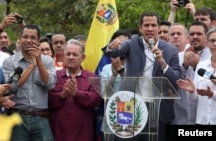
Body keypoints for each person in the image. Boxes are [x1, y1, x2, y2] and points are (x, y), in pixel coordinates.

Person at [102, 11, 181, 141]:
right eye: (146, 25)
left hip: (158, 110)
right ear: (140, 28)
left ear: (159, 28)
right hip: (131, 107)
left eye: (153, 25)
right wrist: (111, 47)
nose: (150, 29)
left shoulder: (170, 50)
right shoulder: (133, 42)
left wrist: (162, 62)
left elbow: (176, 80)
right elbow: (113, 52)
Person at [2, 24, 56, 141]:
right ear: (20, 39)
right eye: (25, 37)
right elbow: (12, 86)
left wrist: (39, 62)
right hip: (17, 117)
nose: (28, 40)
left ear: (38, 41)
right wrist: (32, 65)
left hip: (41, 117)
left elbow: (50, 84)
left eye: (33, 38)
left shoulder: (48, 61)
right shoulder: (10, 62)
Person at [48, 39, 102, 141]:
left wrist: (76, 93)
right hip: (58, 132)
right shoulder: (55, 76)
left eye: (75, 54)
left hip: (83, 133)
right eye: (68, 54)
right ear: (64, 56)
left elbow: (96, 100)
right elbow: (48, 99)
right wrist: (62, 95)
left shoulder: (92, 77)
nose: (71, 57)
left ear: (83, 58)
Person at [171, 21, 211, 125]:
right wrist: (184, 65)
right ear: (188, 38)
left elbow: (212, 81)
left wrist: (196, 67)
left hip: (204, 117)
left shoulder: (212, 57)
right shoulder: (178, 56)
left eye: (199, 34)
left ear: (206, 38)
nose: (195, 36)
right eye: (192, 34)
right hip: (180, 116)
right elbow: (172, 81)